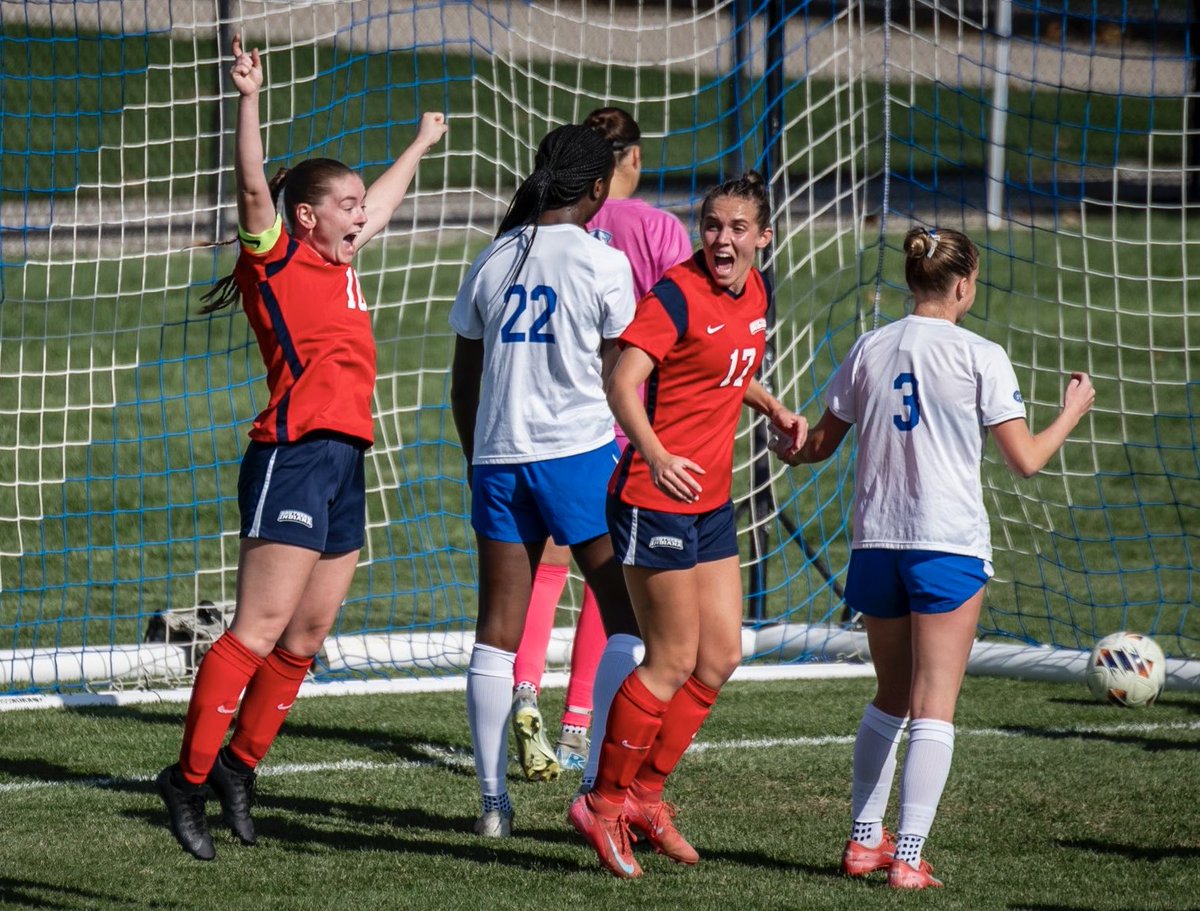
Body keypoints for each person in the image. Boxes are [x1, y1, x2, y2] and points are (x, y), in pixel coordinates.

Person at [155, 34, 446, 861]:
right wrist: (249, 98)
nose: (364, 214)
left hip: (347, 457)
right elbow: (253, 185)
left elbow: (384, 203)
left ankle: (239, 767)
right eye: (347, 205)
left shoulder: (344, 259)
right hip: (293, 451)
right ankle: (185, 778)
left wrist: (419, 144)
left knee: (307, 636)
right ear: (307, 216)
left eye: (362, 206)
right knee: (258, 626)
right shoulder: (277, 257)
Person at [778, 226, 1095, 889]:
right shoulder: (981, 353)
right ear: (963, 284)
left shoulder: (871, 345)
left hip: (874, 543)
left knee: (890, 695)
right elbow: (1027, 460)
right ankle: (909, 856)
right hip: (945, 543)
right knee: (934, 704)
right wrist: (1070, 412)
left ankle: (865, 840)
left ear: (911, 279)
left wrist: (788, 444)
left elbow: (817, 446)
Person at [568, 171, 807, 878]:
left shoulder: (757, 292)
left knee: (721, 654)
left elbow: (729, 368)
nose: (722, 239)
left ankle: (645, 792)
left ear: (763, 237)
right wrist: (656, 451)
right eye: (712, 225)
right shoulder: (675, 292)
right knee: (671, 659)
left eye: (737, 228)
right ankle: (602, 801)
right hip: (653, 495)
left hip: (709, 501)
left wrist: (772, 407)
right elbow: (620, 378)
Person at [449, 123, 642, 837]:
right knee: (627, 619)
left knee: (495, 634)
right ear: (598, 189)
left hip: (497, 459)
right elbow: (623, 379)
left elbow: (462, 385)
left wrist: (480, 459)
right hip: (578, 455)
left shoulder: (493, 257)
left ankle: (493, 802)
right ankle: (598, 786)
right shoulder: (602, 263)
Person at [509, 106, 694, 786]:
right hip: (626, 423)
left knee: (545, 568)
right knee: (608, 576)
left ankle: (524, 693)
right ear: (633, 160)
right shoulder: (655, 229)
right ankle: (581, 721)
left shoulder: (554, 226)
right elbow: (688, 320)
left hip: (549, 418)